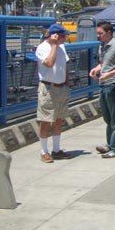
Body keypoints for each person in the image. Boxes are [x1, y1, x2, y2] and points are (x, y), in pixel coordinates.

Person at [90, 22, 115, 157]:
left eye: (100, 33)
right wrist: (96, 69)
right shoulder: (103, 47)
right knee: (108, 118)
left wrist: (110, 74)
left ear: (109, 32)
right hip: (103, 84)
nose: (98, 36)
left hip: (113, 85)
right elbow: (104, 64)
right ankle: (111, 144)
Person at [35, 23, 73, 163]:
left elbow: (65, 65)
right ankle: (43, 151)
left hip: (61, 87)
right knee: (45, 120)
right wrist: (54, 45)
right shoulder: (42, 48)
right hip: (48, 88)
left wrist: (67, 83)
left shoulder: (63, 47)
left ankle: (56, 150)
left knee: (58, 120)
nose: (65, 38)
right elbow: (49, 63)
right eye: (63, 36)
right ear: (54, 36)